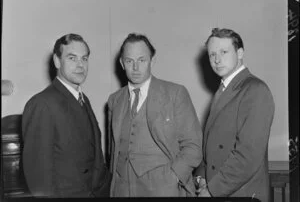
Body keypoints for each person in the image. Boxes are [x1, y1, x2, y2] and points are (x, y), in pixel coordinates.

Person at [107, 33, 202, 197]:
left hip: (164, 189)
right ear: (122, 63)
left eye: (142, 60)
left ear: (152, 60)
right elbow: (112, 149)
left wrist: (174, 178)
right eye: (130, 61)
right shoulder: (115, 100)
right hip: (121, 189)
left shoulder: (175, 94)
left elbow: (193, 146)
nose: (136, 67)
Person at [22, 33, 111, 197]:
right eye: (72, 58)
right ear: (57, 61)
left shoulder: (83, 99)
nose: (80, 65)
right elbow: (39, 178)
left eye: (84, 59)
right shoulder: (42, 104)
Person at [194, 28, 275, 201]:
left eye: (223, 52)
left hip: (241, 194)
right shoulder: (224, 90)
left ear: (240, 53)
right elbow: (210, 145)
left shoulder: (255, 90)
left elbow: (248, 156)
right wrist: (201, 178)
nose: (216, 59)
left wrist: (212, 190)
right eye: (211, 54)